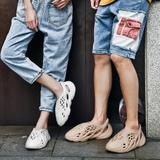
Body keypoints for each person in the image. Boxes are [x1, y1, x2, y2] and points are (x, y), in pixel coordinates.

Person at [65, 0, 152, 153]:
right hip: (106, 2)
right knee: (100, 56)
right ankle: (100, 122)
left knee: (120, 57)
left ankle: (133, 127)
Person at [0, 0, 75, 149]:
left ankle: (42, 127)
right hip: (31, 4)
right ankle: (59, 88)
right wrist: (28, 6)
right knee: (9, 53)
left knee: (54, 66)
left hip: (58, 8)